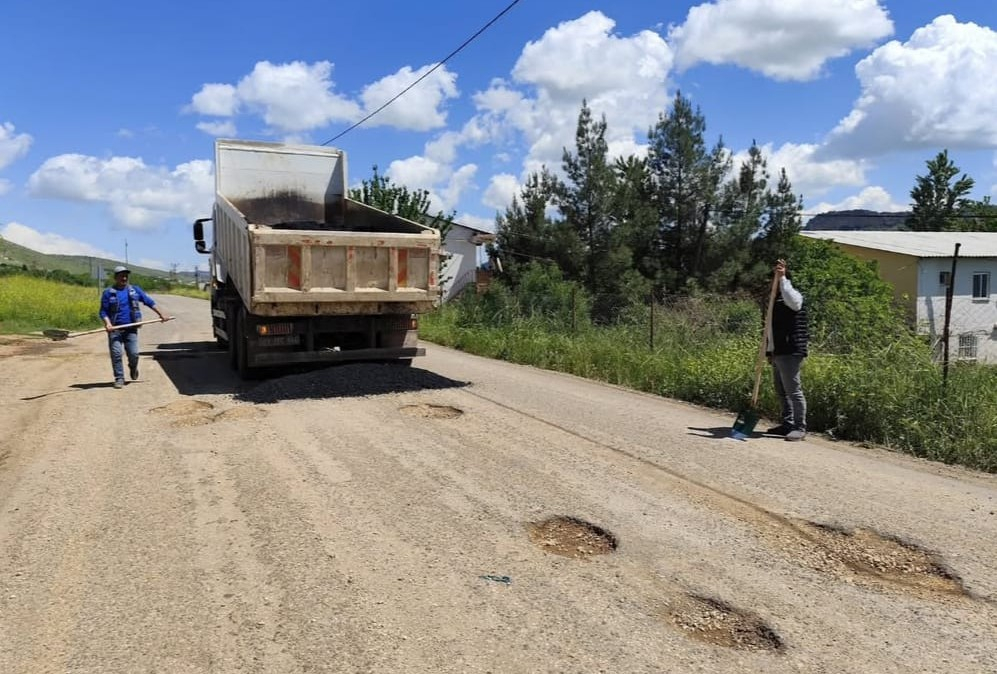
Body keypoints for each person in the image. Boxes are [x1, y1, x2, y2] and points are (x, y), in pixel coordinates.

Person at [99, 266, 168, 389]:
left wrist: (161, 314)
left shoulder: (134, 290)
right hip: (114, 330)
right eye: (121, 276)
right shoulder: (108, 293)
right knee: (116, 354)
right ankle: (119, 378)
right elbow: (103, 312)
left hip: (131, 329)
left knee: (134, 354)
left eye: (126, 276)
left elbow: (149, 302)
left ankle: (133, 367)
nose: (124, 278)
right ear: (115, 278)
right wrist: (108, 324)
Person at [765, 259, 809, 441]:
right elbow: (770, 329)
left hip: (791, 350)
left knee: (793, 390)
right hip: (778, 351)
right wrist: (769, 351)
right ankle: (788, 423)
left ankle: (800, 427)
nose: (771, 283)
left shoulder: (793, 297)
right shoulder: (774, 302)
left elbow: (795, 303)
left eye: (774, 279)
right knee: (781, 390)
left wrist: (782, 278)